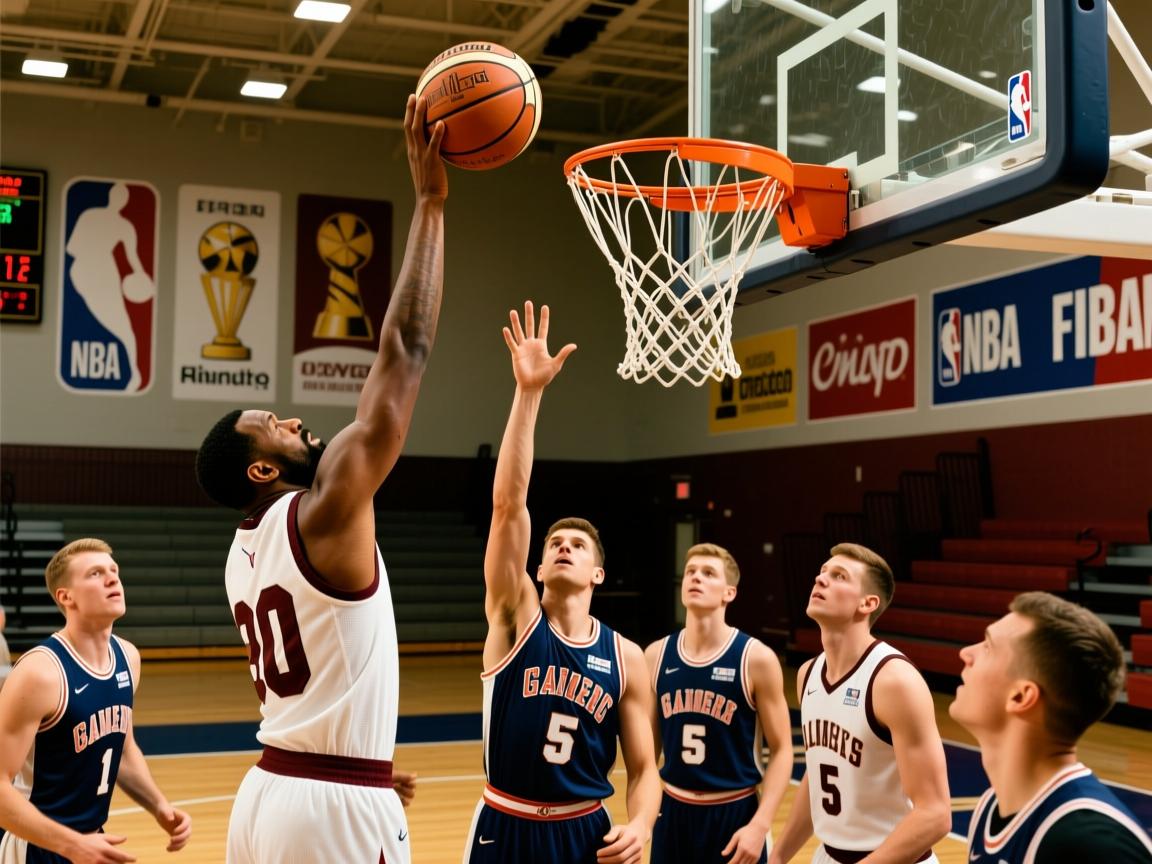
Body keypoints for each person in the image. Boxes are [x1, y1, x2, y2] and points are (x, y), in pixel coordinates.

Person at [193, 93, 445, 864]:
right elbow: (402, 351)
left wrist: (353, 767)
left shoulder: (242, 553)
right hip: (325, 806)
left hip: (272, 788)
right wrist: (431, 201)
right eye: (276, 426)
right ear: (263, 468)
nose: (297, 420)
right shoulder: (321, 514)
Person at [465, 301, 660, 864]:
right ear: (538, 569)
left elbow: (645, 768)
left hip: (586, 833)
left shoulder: (625, 657)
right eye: (554, 545)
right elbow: (508, 507)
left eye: (578, 545)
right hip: (507, 822)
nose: (564, 547)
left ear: (598, 573)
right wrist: (529, 396)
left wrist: (642, 823)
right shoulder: (516, 619)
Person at [0, 538, 192, 864]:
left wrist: (158, 804)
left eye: (114, 571)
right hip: (36, 846)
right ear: (66, 597)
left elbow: (123, 749)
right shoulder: (40, 673)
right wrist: (71, 845)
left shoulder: (128, 657)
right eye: (95, 573)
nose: (112, 578)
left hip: (90, 841)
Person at [769, 543, 951, 864]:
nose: (820, 579)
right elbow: (819, 772)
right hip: (828, 855)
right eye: (823, 572)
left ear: (867, 603)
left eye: (838, 576)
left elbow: (935, 813)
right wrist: (779, 855)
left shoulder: (894, 681)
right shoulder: (808, 674)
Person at [950, 591, 1152, 863]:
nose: (966, 653)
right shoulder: (990, 808)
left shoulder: (1092, 843)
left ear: (1021, 697)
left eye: (988, 646)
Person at [645, 543, 793, 864]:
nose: (695, 577)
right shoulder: (656, 655)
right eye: (690, 572)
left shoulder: (755, 658)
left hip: (734, 812)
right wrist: (642, 817)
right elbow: (647, 752)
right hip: (673, 810)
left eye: (708, 573)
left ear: (729, 593)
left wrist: (761, 824)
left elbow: (782, 750)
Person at [65, 182, 152, 391]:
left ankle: (134, 372)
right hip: (87, 271)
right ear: (113, 197)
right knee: (114, 323)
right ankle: (133, 370)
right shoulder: (91, 216)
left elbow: (134, 261)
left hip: (102, 271)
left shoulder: (124, 226)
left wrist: (143, 281)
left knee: (124, 326)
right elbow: (72, 247)